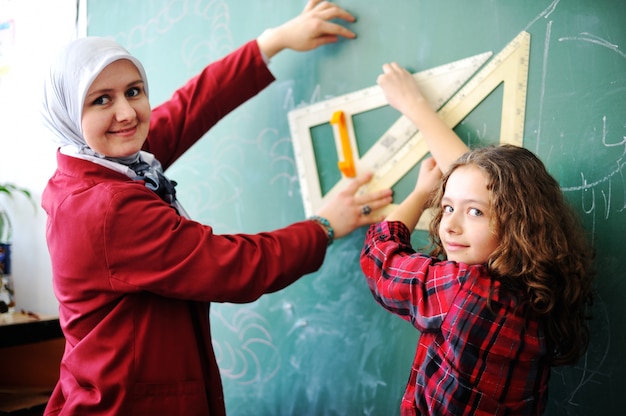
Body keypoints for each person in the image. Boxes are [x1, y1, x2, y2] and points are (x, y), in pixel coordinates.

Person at [40, 2, 393, 415]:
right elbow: (234, 265)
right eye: (101, 99)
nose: (126, 113)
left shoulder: (100, 165)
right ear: (67, 111)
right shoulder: (106, 206)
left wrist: (273, 42)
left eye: (134, 91)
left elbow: (190, 106)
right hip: (125, 402)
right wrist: (324, 226)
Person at [360, 62, 595, 415]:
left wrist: (421, 193)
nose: (450, 225)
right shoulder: (536, 293)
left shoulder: (463, 289)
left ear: (518, 223)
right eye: (446, 206)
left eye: (474, 213)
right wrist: (419, 111)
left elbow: (380, 257)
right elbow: (482, 185)